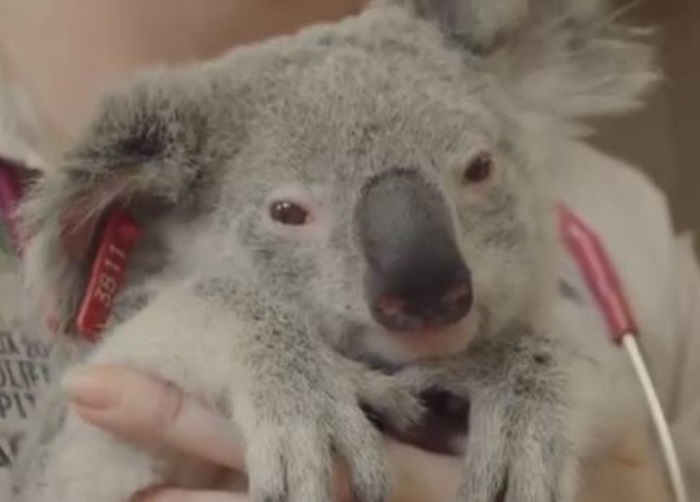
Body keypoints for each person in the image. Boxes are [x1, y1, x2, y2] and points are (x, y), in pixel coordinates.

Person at [0, 1, 698, 500]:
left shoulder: (615, 211)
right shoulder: (151, 198)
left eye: (478, 172)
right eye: (290, 212)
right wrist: (253, 341)